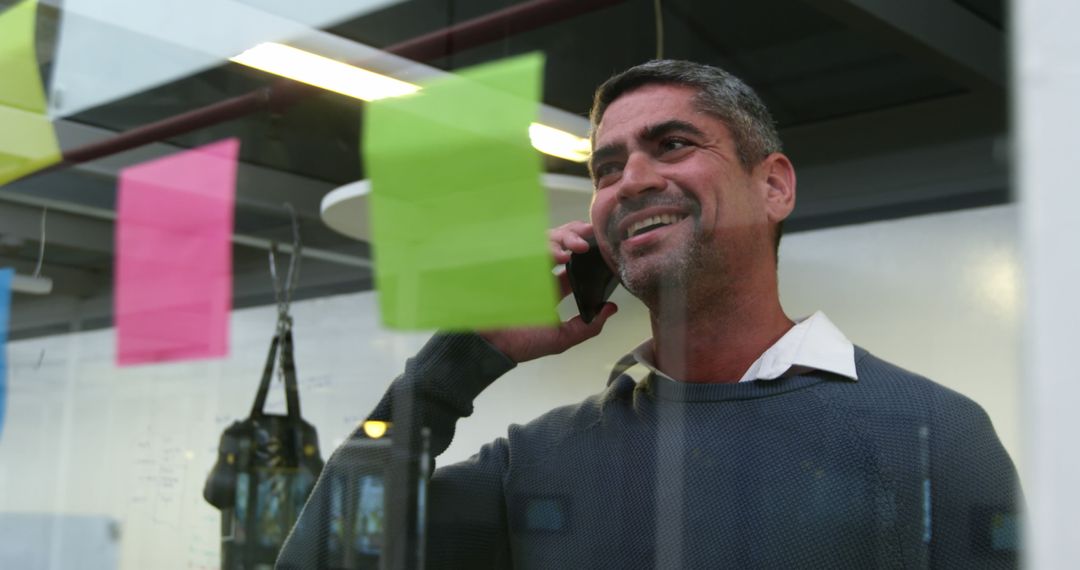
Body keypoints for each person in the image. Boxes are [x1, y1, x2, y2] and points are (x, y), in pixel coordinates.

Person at [278, 60, 1021, 569]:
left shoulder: (930, 435)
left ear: (774, 186)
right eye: (606, 168)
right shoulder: (534, 460)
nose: (631, 181)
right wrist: (458, 362)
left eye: (672, 144)